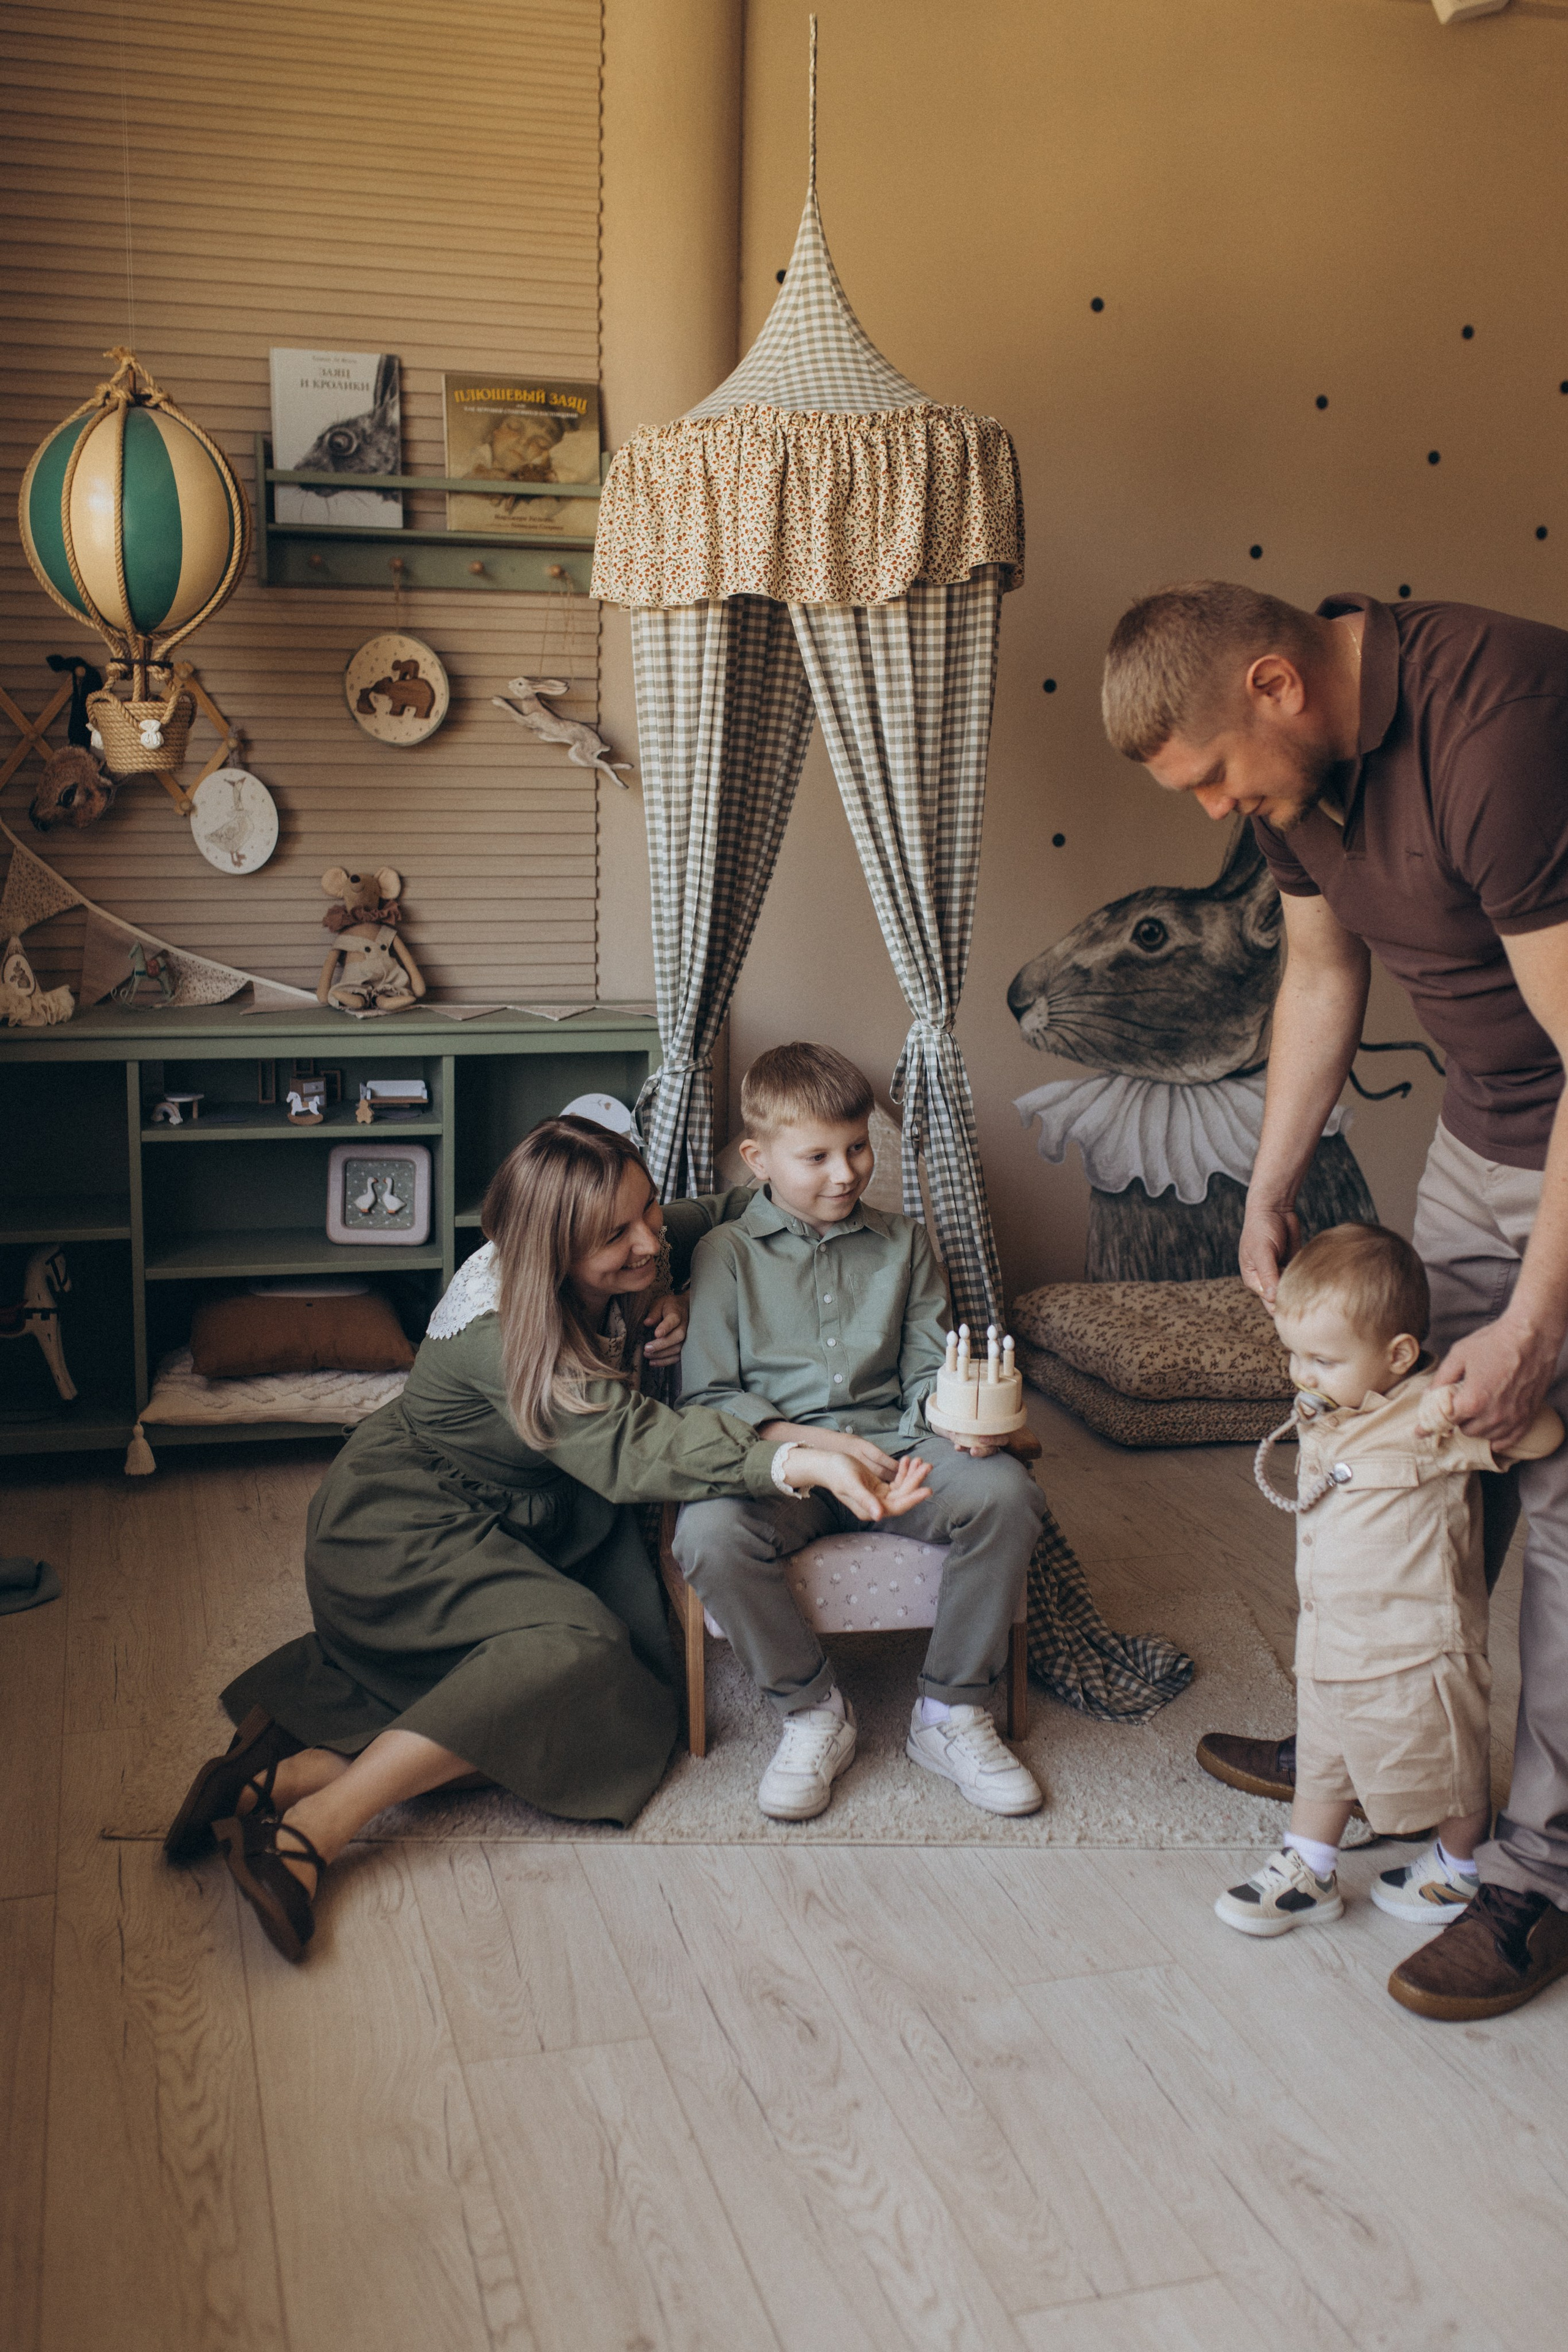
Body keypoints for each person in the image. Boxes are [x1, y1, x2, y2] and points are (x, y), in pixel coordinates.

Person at [1102, 578, 1568, 2018]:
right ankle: (1374, 1749)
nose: (1212, 809)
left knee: (1554, 1493)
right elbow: (1317, 972)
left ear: (1274, 684)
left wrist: (1534, 1322)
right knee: (1410, 1445)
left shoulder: (1496, 730)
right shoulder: (1288, 780)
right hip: (1486, 1134)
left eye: (1210, 776)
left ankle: (1538, 1872)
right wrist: (1266, 1183)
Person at [164, 1117, 930, 1963]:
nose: (648, 1241)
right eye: (617, 1237)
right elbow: (636, 1443)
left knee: (636, 1702)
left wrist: (685, 1290)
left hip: (534, 1518)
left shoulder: (630, 1236)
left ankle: (286, 1773)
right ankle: (316, 1826)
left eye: (647, 1210)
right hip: (402, 1532)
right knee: (579, 1657)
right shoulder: (501, 1334)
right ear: (551, 1249)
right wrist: (796, 1459)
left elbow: (739, 1204)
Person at [673, 1042, 1048, 1822]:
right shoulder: (724, 1255)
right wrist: (814, 1450)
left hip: (897, 1450)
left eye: (857, 1147)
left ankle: (949, 1713)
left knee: (1005, 1493)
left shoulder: (905, 1243)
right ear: (759, 1160)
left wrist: (957, 1422)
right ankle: (813, 1712)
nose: (846, 1173)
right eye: (817, 1157)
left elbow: (927, 1370)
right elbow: (710, 1396)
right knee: (707, 1534)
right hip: (781, 1465)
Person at [1212, 1223, 1560, 1940]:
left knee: (1445, 1760)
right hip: (1331, 1640)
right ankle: (1309, 1867)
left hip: (1414, 1650)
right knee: (1324, 1757)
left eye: (1322, 1360)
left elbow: (1545, 1437)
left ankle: (1458, 1865)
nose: (1303, 1375)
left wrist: (1460, 1408)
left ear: (1398, 1355)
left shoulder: (1433, 1414)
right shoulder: (1332, 1408)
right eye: (1295, 1356)